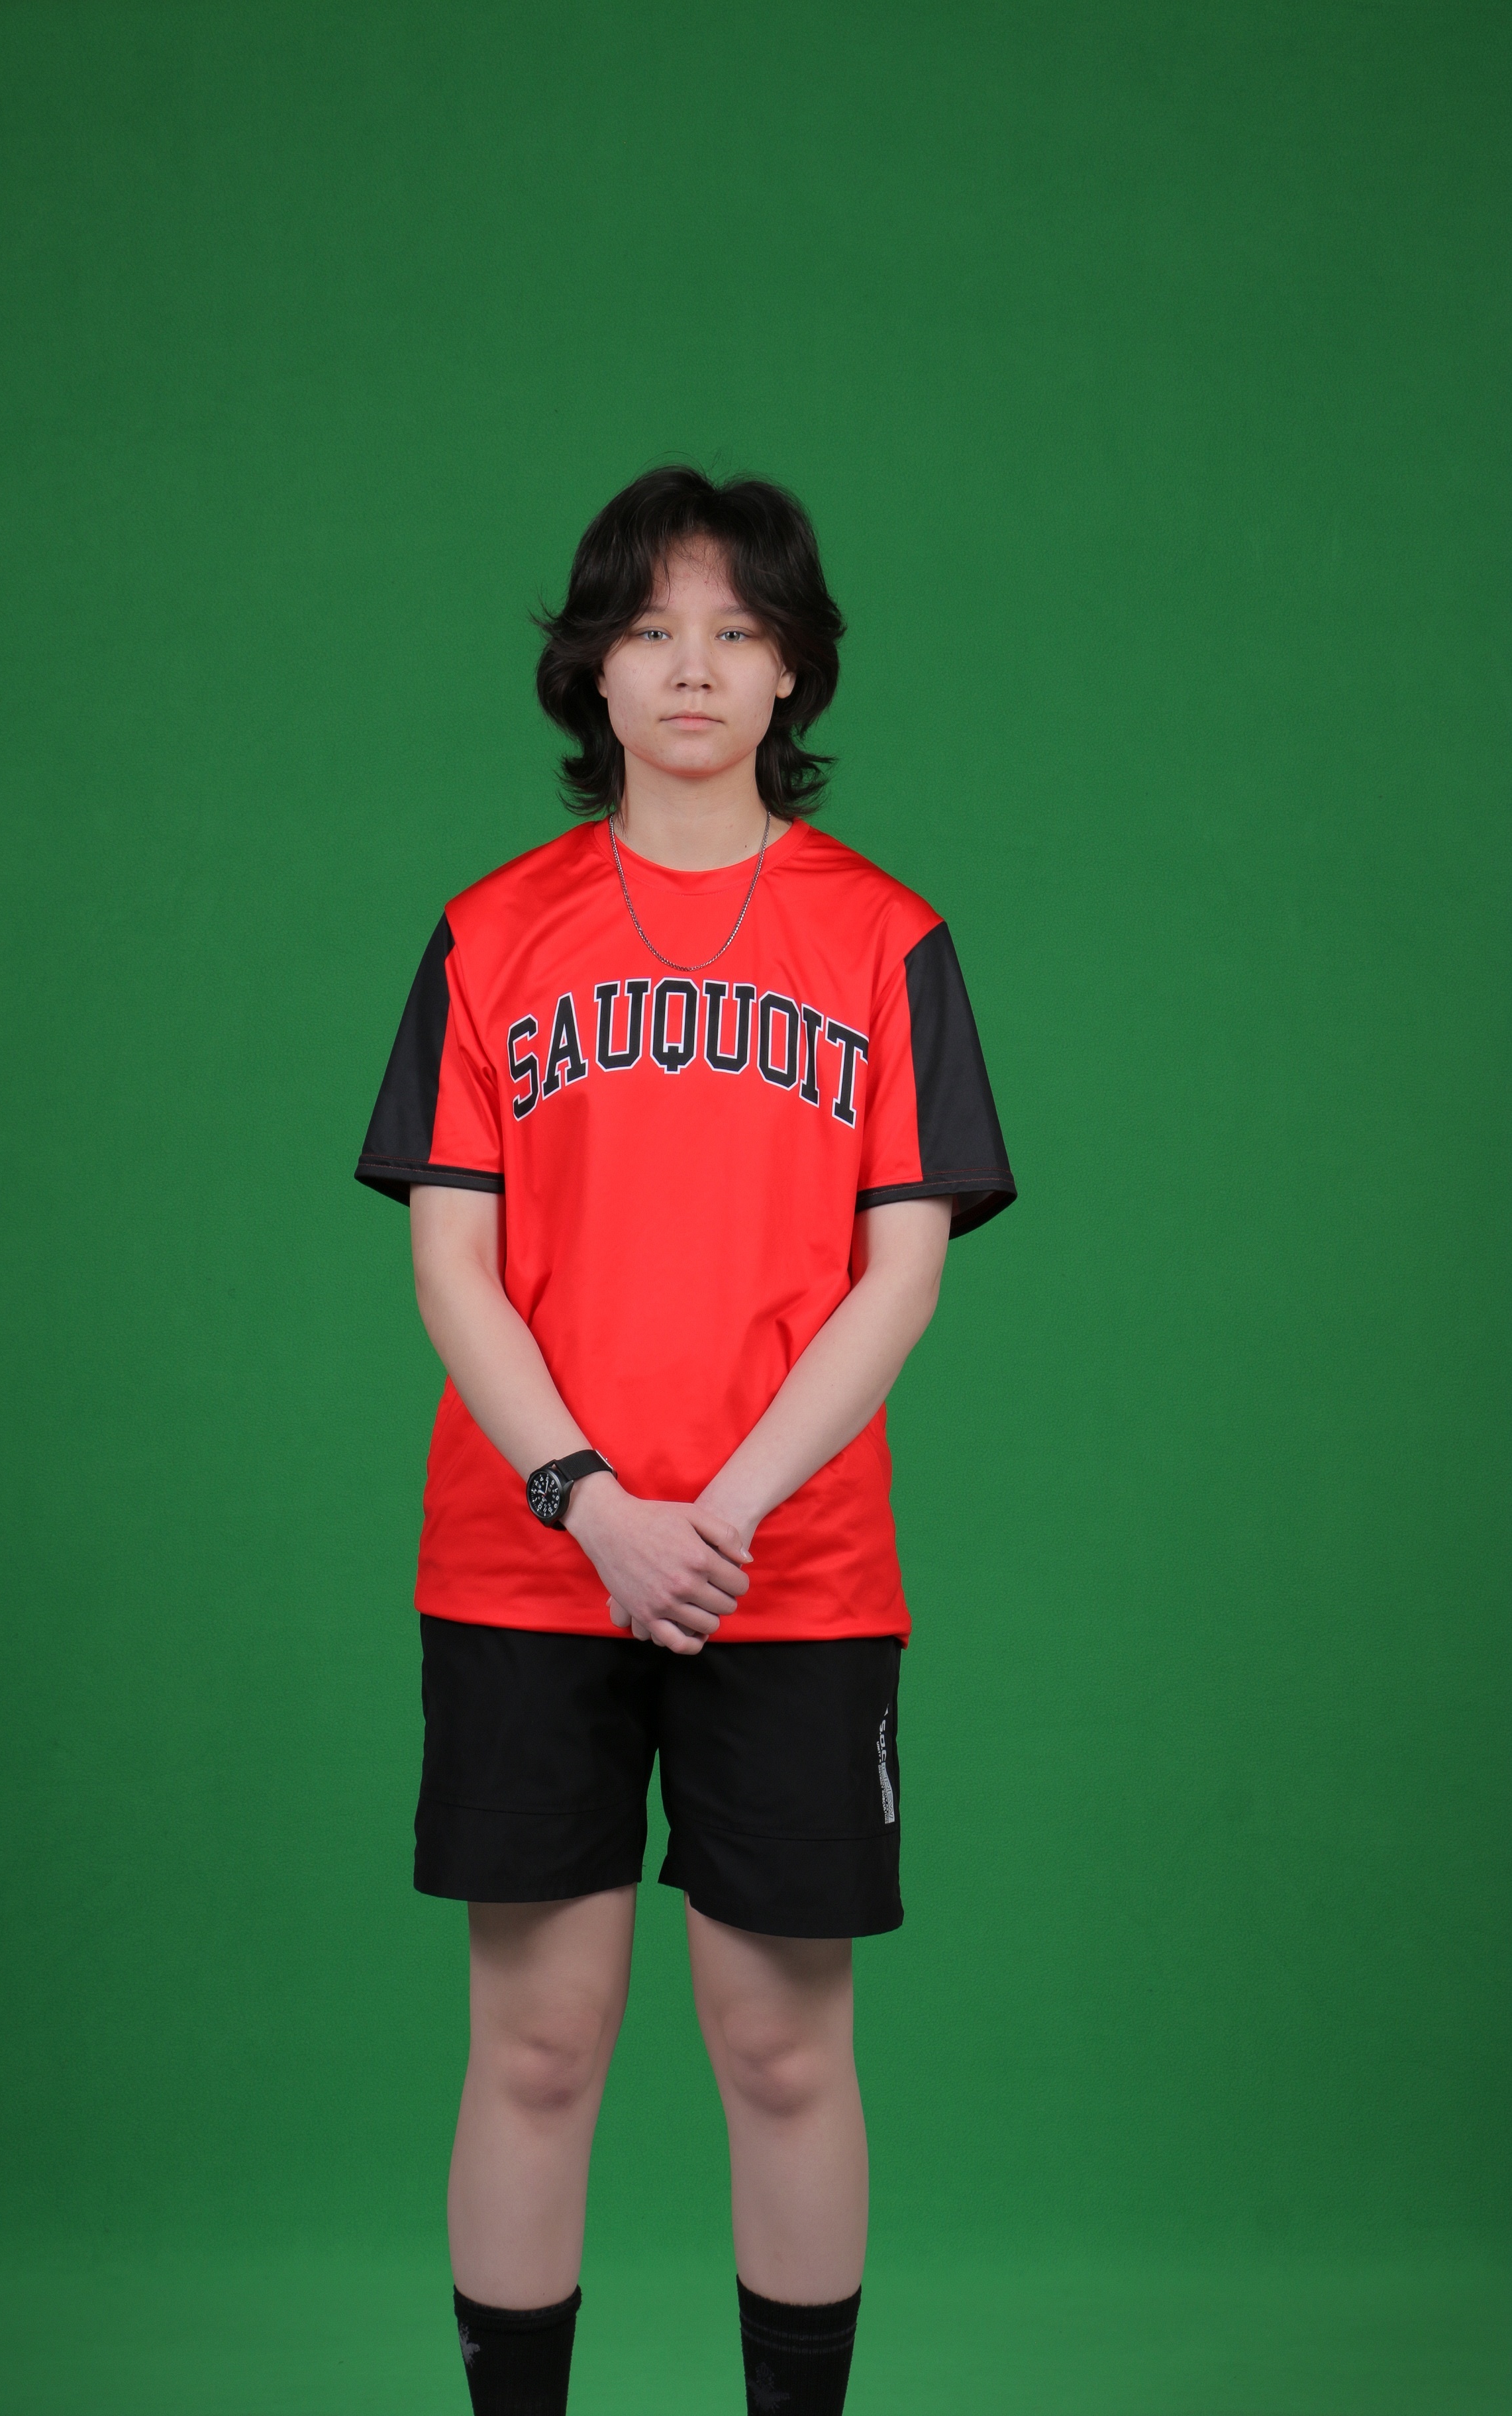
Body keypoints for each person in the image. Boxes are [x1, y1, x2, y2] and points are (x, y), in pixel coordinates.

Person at [356, 465, 1015, 2416]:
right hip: (525, 1567)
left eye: (737, 629)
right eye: (650, 629)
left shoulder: (886, 940)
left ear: (794, 670)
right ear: (594, 671)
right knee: (536, 2046)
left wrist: (709, 1517)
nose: (694, 666)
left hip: (787, 1576)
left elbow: (901, 1276)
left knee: (784, 2051)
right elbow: (451, 1263)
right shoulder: (493, 934)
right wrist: (592, 1504)